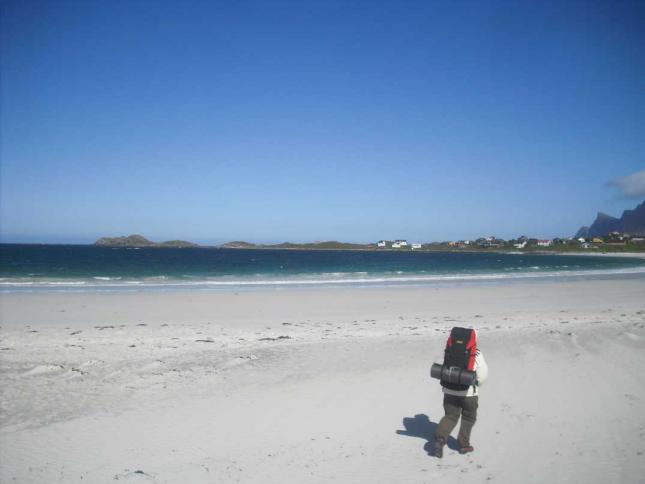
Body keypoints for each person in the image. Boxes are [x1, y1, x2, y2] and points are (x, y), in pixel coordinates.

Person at [434, 329, 488, 458]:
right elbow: (483, 375)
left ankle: (440, 439)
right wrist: (477, 385)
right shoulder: (477, 354)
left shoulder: (449, 350)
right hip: (468, 394)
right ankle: (464, 445)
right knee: (468, 418)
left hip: (449, 390)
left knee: (450, 416)